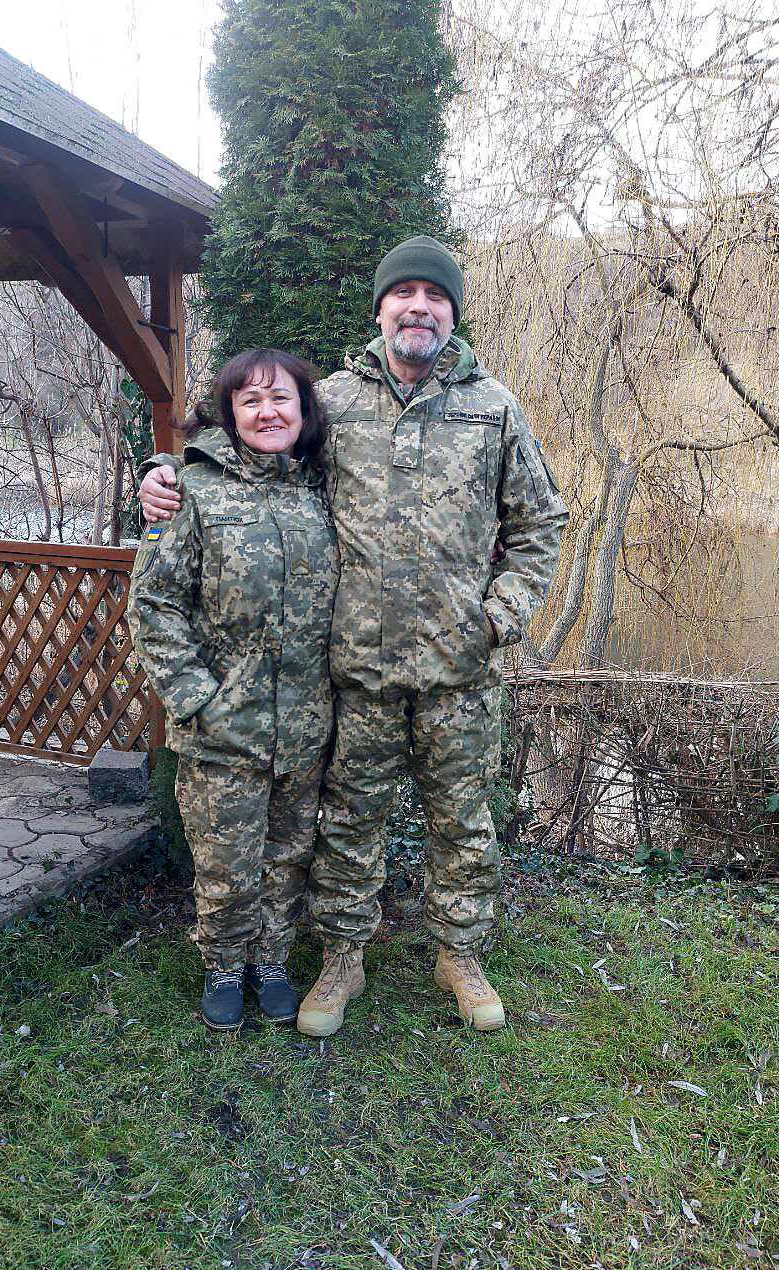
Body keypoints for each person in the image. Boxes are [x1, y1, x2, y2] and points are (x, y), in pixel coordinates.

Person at [139, 236, 568, 1036]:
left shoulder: (494, 409)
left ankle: (459, 954)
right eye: (403, 293)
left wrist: (500, 616)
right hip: (356, 678)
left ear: (452, 313)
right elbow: (250, 448)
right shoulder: (331, 402)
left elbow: (540, 523)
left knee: (463, 824)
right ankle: (342, 958)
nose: (418, 308)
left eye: (435, 296)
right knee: (348, 828)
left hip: (459, 674)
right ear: (379, 310)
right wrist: (164, 472)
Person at [127, 349, 338, 1031]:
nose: (268, 412)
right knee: (226, 863)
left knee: (287, 857)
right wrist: (197, 698)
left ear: (303, 411)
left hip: (307, 726)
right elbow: (154, 604)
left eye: (281, 399)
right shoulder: (191, 493)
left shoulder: (326, 490)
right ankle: (223, 966)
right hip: (222, 728)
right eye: (251, 400)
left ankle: (271, 963)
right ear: (230, 414)